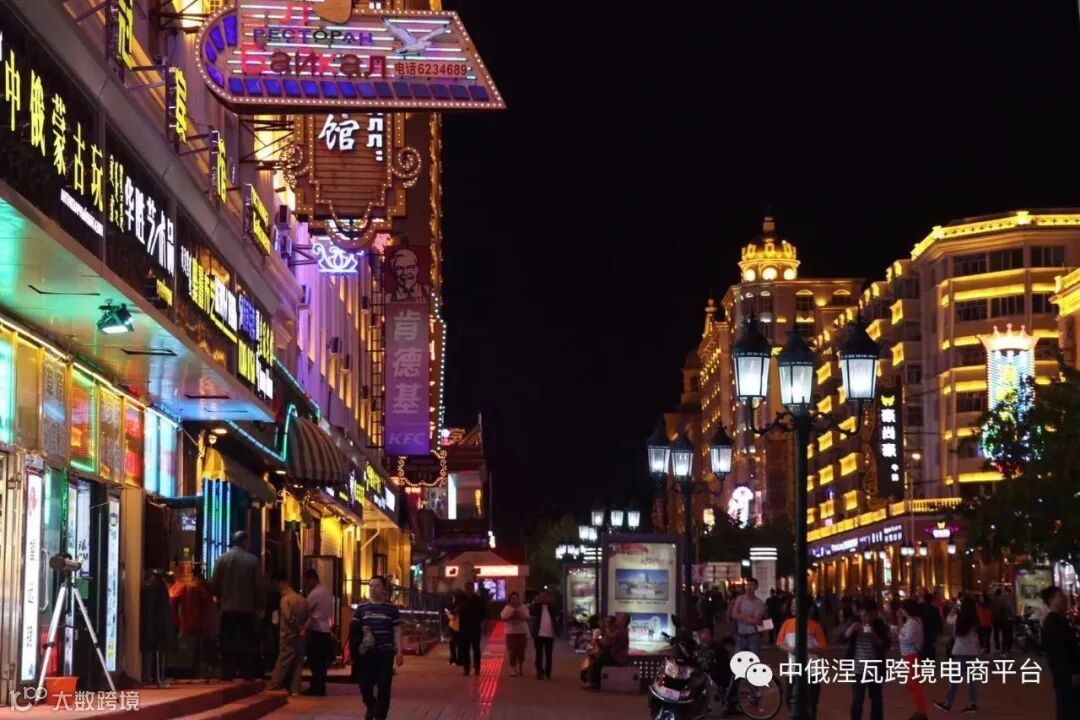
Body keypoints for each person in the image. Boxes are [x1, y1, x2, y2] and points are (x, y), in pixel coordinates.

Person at [211, 530, 266, 681]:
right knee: (247, 642)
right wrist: (260, 605)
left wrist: (221, 598)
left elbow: (214, 585)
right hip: (247, 609)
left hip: (227, 609)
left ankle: (228, 672)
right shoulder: (252, 561)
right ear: (244, 542)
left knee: (227, 642)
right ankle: (246, 672)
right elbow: (258, 586)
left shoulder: (221, 559)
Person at [350, 575, 404, 720]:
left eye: (377, 586)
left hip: (385, 652)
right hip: (367, 653)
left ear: (384, 589)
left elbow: (397, 630)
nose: (373, 589)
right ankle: (371, 705)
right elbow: (354, 629)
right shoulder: (361, 608)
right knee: (365, 685)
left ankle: (380, 716)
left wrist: (399, 651)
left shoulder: (391, 608)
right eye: (371, 586)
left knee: (384, 686)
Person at [776, 598, 827, 720]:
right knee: (789, 697)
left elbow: (823, 647)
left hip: (812, 669)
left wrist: (807, 649)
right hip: (793, 668)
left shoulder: (814, 626)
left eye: (796, 604)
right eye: (792, 604)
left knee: (811, 701)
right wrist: (790, 649)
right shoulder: (787, 623)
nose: (793, 606)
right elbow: (779, 642)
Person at [934, 595, 980, 713]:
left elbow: (948, 619)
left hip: (960, 652)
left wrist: (954, 608)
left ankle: (947, 703)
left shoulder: (959, 618)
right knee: (972, 680)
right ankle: (972, 704)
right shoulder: (975, 619)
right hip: (972, 652)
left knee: (954, 679)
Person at [845, 600, 890, 720]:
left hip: (875, 669)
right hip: (858, 669)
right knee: (857, 700)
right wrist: (851, 629)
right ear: (860, 613)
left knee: (876, 699)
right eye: (865, 615)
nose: (868, 618)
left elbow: (886, 644)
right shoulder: (854, 623)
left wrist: (873, 636)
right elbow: (842, 638)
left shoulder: (879, 625)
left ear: (875, 614)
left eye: (871, 615)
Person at [1040, 585, 1080, 720]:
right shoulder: (1053, 622)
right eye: (1060, 596)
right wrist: (1072, 673)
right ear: (1051, 600)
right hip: (1066, 677)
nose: (1064, 598)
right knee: (1070, 710)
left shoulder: (1059, 620)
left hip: (1065, 676)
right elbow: (1059, 652)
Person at [266, 572, 309, 695]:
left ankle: (273, 685)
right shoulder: (302, 599)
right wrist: (303, 628)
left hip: (288, 635)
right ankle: (295, 688)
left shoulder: (285, 600)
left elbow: (288, 617)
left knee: (282, 662)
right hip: (300, 635)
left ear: (279, 583)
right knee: (298, 663)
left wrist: (297, 627)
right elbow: (308, 616)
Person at [302, 568, 334, 696]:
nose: (305, 584)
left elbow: (305, 609)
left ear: (311, 579)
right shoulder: (326, 591)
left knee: (315, 661)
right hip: (325, 629)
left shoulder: (315, 593)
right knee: (321, 662)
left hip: (316, 629)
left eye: (306, 581)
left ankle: (317, 687)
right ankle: (320, 686)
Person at [898, 599, 929, 720]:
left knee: (914, 684)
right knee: (912, 683)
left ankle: (921, 712)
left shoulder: (912, 621)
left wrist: (897, 634)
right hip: (910, 655)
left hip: (912, 655)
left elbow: (907, 638)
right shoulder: (913, 621)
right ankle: (919, 710)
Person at [587, 613, 630, 689]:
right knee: (600, 657)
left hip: (618, 659)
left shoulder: (621, 632)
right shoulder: (620, 631)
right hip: (616, 656)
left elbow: (608, 642)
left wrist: (606, 631)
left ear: (624, 621)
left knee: (600, 660)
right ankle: (594, 681)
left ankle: (594, 682)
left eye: (620, 619)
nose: (618, 620)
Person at [456, 583, 485, 676]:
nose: (469, 591)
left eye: (471, 589)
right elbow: (454, 610)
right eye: (467, 589)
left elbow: (484, 613)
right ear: (465, 589)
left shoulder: (478, 600)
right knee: (465, 649)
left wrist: (483, 623)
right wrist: (457, 610)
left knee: (476, 649)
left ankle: (477, 668)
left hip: (475, 628)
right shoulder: (460, 600)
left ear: (473, 589)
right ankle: (466, 669)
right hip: (464, 628)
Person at [530, 590, 560, 680]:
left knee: (549, 655)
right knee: (539, 654)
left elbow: (556, 613)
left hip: (549, 634)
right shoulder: (536, 607)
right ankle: (539, 672)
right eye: (541, 596)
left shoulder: (551, 607)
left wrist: (551, 603)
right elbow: (532, 613)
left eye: (545, 597)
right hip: (538, 634)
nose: (543, 598)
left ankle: (548, 673)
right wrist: (536, 602)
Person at [731, 577, 765, 652]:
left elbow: (756, 620)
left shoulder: (759, 603)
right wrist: (750, 617)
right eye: (747, 585)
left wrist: (741, 616)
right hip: (740, 634)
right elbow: (734, 614)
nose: (749, 587)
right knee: (739, 657)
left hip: (753, 635)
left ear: (756, 587)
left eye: (751, 585)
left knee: (753, 657)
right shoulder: (740, 599)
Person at [500, 592, 530, 676]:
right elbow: (503, 618)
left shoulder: (523, 607)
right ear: (510, 600)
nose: (514, 600)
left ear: (518, 599)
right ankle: (513, 669)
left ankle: (520, 666)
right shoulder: (507, 608)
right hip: (510, 632)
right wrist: (511, 616)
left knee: (521, 651)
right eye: (512, 598)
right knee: (512, 651)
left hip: (522, 632)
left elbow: (527, 617)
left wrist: (519, 616)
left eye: (516, 598)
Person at [920, 592, 943, 662]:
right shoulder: (934, 609)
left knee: (925, 650)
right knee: (930, 650)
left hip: (923, 632)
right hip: (931, 633)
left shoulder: (922, 608)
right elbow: (938, 622)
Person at [991, 587, 1014, 654]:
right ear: (1000, 593)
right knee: (1004, 634)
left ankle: (997, 647)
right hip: (1003, 619)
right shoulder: (1003, 600)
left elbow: (991, 610)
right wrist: (1011, 616)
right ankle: (1003, 649)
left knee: (996, 633)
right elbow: (1007, 609)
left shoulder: (993, 600)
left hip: (995, 619)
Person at [445, 595, 461, 666]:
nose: (453, 600)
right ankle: (456, 660)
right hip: (456, 627)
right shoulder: (459, 607)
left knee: (453, 644)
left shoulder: (456, 608)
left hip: (456, 628)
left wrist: (448, 613)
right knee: (457, 645)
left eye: (454, 598)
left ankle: (454, 660)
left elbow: (452, 617)